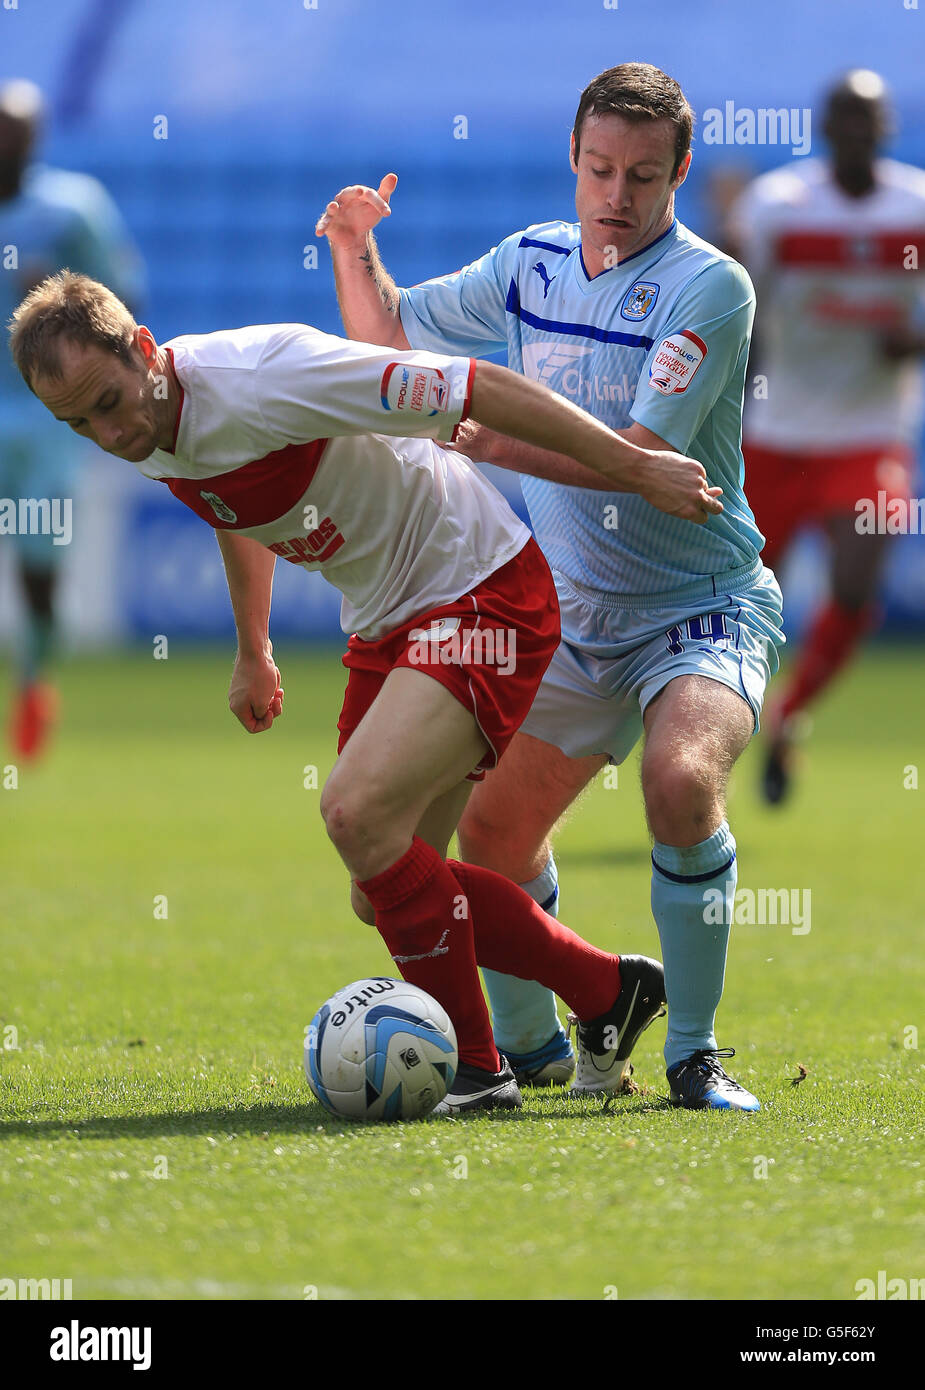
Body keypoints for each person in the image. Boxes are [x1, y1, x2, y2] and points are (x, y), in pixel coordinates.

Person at [8, 271, 719, 1113]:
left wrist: (634, 465)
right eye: (77, 422)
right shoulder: (151, 423)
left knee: (355, 816)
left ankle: (481, 1072)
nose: (107, 431)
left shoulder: (268, 375)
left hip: (481, 589)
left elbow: (478, 386)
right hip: (393, 621)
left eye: (108, 401)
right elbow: (233, 508)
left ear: (142, 348)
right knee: (377, 887)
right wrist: (253, 648)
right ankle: (608, 991)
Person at [317, 62, 785, 1110]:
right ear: (573, 161)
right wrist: (356, 250)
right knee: (489, 832)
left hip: (699, 604)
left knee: (676, 782)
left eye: (643, 177)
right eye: (599, 169)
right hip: (572, 610)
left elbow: (641, 462)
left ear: (680, 174)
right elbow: (389, 337)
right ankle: (541, 1052)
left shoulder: (710, 285)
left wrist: (494, 438)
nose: (616, 196)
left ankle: (694, 1054)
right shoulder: (528, 263)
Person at [727, 70, 925, 804]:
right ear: (822, 127)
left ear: (887, 127)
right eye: (843, 119)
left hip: (869, 432)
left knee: (856, 580)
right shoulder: (778, 206)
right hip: (775, 432)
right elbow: (735, 312)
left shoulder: (916, 205)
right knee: (747, 602)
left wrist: (913, 344)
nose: (855, 132)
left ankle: (790, 714)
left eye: (867, 120)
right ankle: (724, 727)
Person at [0, 79, 144, 758]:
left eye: (17, 129)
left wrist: (57, 293)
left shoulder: (72, 209)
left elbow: (123, 297)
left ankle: (34, 680)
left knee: (37, 565)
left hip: (41, 422)